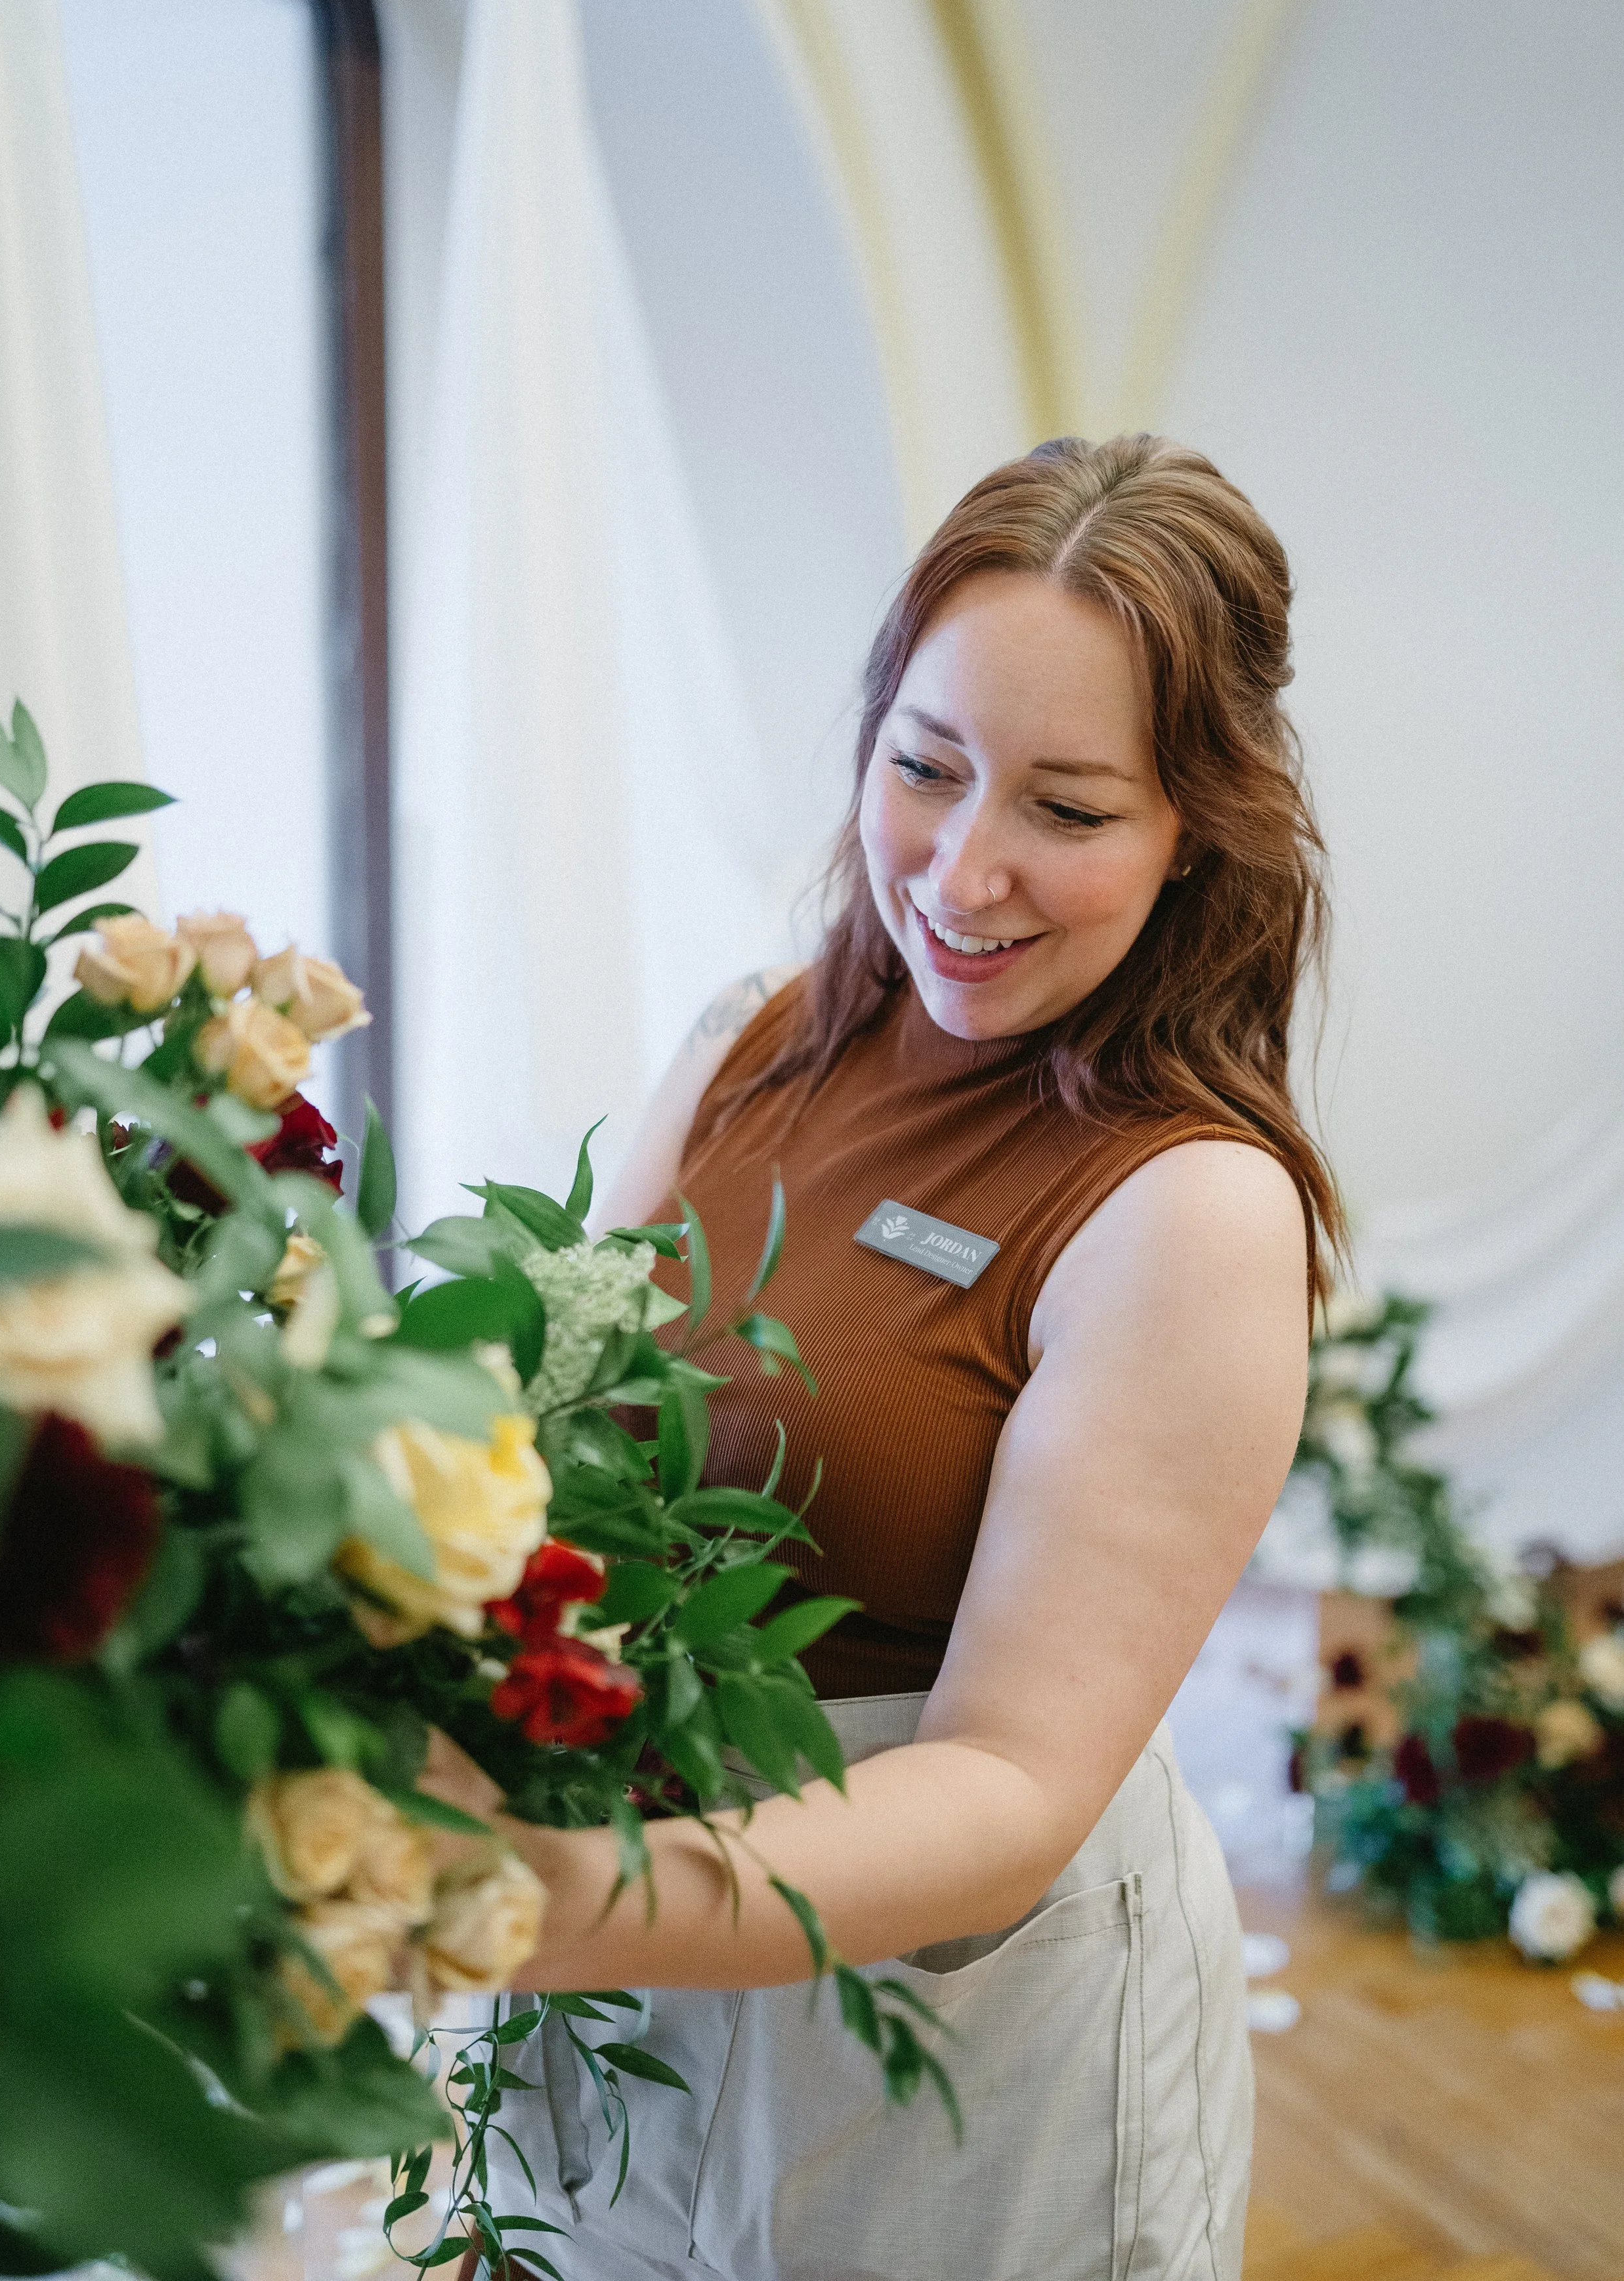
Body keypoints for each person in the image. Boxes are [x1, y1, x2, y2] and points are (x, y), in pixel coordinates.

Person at [438, 435, 1339, 2280]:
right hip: (638, 1990)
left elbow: (1006, 1788)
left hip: (949, 2030)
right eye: (924, 766)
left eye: (1070, 810)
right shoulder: (756, 1033)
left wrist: (553, 1901)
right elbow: (560, 1447)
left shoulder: (1188, 1211)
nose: (966, 867)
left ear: (1196, 832)